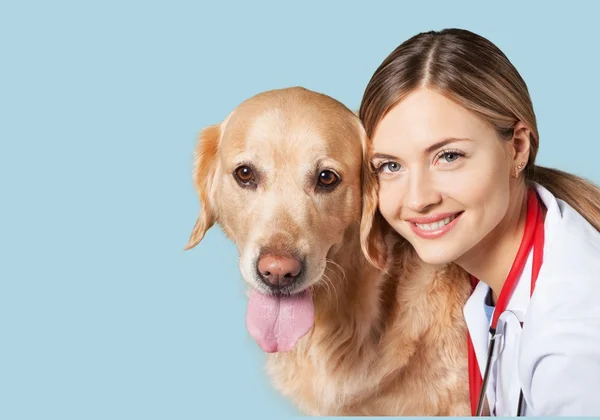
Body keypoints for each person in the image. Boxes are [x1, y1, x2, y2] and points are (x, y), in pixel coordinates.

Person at [357, 28, 600, 416]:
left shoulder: (574, 341)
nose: (418, 199)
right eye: (390, 166)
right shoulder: (487, 272)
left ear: (518, 147)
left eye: (449, 156)